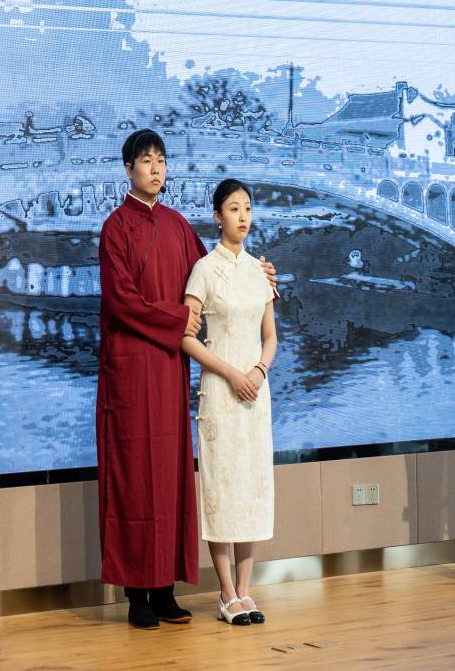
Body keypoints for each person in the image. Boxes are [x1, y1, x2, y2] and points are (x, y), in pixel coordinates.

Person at [95, 129, 276, 630]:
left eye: (161, 160)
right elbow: (121, 300)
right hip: (131, 368)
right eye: (145, 160)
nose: (155, 168)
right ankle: (135, 594)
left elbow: (216, 275)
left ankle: (164, 589)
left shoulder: (177, 227)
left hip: (171, 369)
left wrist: (260, 275)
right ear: (128, 169)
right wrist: (176, 320)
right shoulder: (115, 228)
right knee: (135, 476)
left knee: (170, 475)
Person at [181, 179, 277, 626]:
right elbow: (186, 338)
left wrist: (257, 371)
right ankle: (224, 594)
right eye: (234, 209)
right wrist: (232, 374)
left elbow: (270, 336)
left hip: (255, 393)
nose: (243, 216)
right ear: (217, 217)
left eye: (248, 208)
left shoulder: (260, 271)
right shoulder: (203, 269)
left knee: (250, 488)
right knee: (221, 489)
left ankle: (245, 590)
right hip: (220, 392)